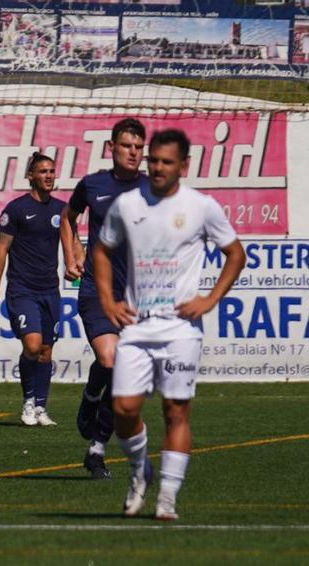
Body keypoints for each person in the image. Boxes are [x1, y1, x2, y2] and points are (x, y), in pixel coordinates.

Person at [93, 129, 243, 520]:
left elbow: (235, 254)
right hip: (138, 327)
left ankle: (168, 498)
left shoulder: (202, 206)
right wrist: (108, 300)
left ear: (184, 165)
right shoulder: (127, 204)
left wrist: (210, 300)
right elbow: (101, 250)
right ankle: (141, 469)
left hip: (180, 329)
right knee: (124, 409)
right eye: (153, 160)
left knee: (176, 411)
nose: (157, 167)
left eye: (166, 161)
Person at [60, 117, 148, 479]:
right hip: (96, 290)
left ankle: (96, 450)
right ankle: (92, 397)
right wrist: (72, 252)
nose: (134, 153)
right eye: (127, 146)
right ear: (112, 148)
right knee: (112, 361)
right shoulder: (92, 184)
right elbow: (68, 216)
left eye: (139, 147)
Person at [0, 153, 66, 427]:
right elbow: (1, 248)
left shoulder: (62, 210)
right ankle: (28, 401)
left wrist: (76, 262)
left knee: (45, 351)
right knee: (32, 346)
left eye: (52, 171)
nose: (49, 175)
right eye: (42, 171)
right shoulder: (16, 210)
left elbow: (73, 242)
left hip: (50, 290)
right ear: (30, 176)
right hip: (22, 289)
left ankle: (42, 407)